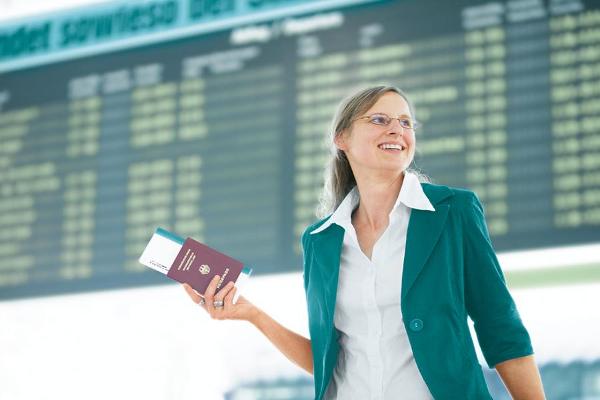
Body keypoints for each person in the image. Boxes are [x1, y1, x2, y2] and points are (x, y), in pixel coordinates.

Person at [183, 85, 546, 399]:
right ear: (342, 139)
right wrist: (252, 314)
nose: (397, 130)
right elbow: (330, 363)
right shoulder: (319, 240)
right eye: (379, 120)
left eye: (406, 122)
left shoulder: (454, 211)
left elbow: (500, 326)